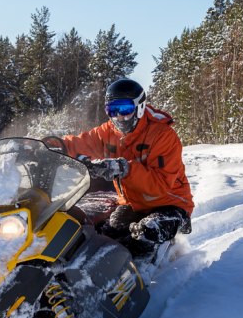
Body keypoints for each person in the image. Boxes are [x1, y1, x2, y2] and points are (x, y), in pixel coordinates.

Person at [61, 78, 194, 257]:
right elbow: (79, 143)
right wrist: (53, 145)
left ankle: (145, 276)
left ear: (139, 108)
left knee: (145, 234)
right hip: (134, 203)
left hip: (170, 204)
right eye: (112, 110)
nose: (119, 117)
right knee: (105, 237)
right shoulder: (108, 131)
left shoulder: (162, 135)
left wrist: (124, 169)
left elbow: (160, 185)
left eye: (125, 110)